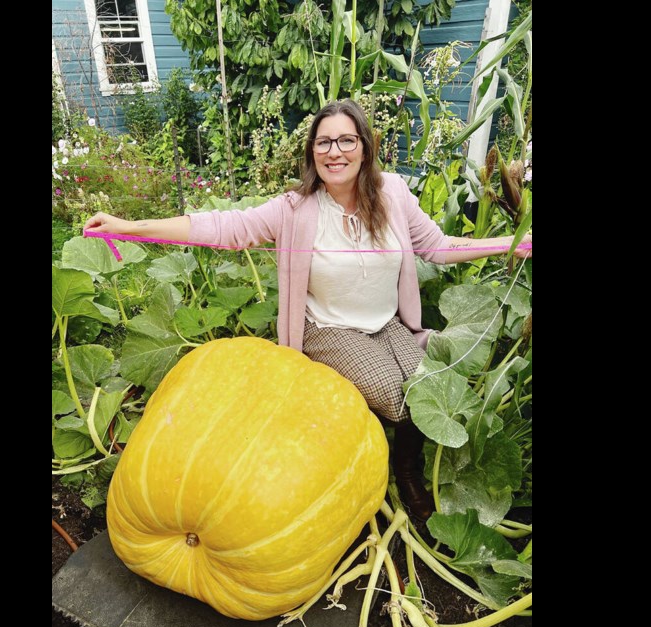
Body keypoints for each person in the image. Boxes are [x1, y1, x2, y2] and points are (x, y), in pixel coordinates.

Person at [83, 99, 531, 520]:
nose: (334, 152)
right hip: (329, 328)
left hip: (387, 324)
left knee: (428, 388)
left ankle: (403, 465)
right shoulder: (295, 208)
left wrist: (509, 245)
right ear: (312, 152)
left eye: (346, 140)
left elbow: (436, 246)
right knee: (400, 399)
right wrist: (131, 226)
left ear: (364, 147)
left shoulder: (392, 193)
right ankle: (399, 473)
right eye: (324, 142)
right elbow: (223, 227)